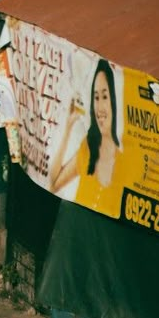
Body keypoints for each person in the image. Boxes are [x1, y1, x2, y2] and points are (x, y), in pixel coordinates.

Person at [48, 58, 124, 215]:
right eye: (96, 98)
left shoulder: (125, 160)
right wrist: (68, 128)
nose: (100, 108)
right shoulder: (87, 149)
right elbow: (53, 183)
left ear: (114, 101)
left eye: (105, 97)